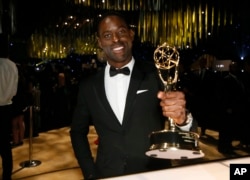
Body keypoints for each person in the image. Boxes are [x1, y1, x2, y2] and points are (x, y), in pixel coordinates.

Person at [70, 11, 197, 180]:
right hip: (107, 173)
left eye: (121, 31)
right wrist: (90, 172)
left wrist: (183, 120)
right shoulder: (88, 86)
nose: (116, 39)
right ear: (100, 42)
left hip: (153, 172)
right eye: (107, 35)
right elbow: (77, 132)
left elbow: (189, 126)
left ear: (131, 34)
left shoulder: (156, 74)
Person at [217, 61, 248, 154]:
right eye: (234, 67)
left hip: (235, 108)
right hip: (228, 109)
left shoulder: (237, 79)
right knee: (225, 129)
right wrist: (227, 107)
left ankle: (228, 145)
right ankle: (223, 147)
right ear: (230, 68)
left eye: (236, 67)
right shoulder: (227, 79)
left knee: (231, 128)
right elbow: (225, 95)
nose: (236, 69)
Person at [0, 55, 19, 179]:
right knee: (5, 144)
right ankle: (7, 176)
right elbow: (14, 91)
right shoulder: (12, 65)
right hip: (6, 107)